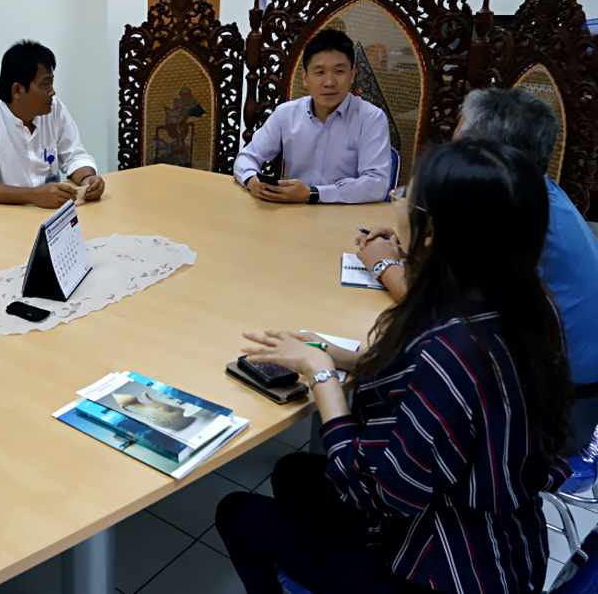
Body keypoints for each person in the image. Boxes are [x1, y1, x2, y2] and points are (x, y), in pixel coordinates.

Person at [218, 140, 573, 594]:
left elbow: (380, 492)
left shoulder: (449, 351)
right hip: (507, 545)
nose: (397, 200)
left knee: (237, 513)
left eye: (408, 196)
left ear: (433, 231)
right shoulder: (525, 301)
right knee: (292, 470)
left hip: (444, 566)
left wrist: (323, 376)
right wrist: (343, 357)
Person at [357, 87, 598, 452]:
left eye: (458, 144)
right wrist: (418, 241)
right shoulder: (530, 198)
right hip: (536, 380)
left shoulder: (520, 221)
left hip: (549, 410)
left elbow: (443, 313)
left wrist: (384, 264)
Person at [234, 28, 391, 204]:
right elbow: (247, 157)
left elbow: (376, 185)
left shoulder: (371, 118)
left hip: (348, 217)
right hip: (293, 213)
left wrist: (314, 194)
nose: (329, 82)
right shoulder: (286, 114)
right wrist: (252, 180)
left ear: (352, 75)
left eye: (339, 72)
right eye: (320, 72)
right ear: (305, 78)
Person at [0, 40, 104, 207]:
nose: (52, 91)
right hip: (0, 218)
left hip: (48, 215)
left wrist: (88, 179)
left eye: (52, 82)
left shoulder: (55, 109)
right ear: (17, 90)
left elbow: (75, 156)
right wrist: (33, 196)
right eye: (45, 84)